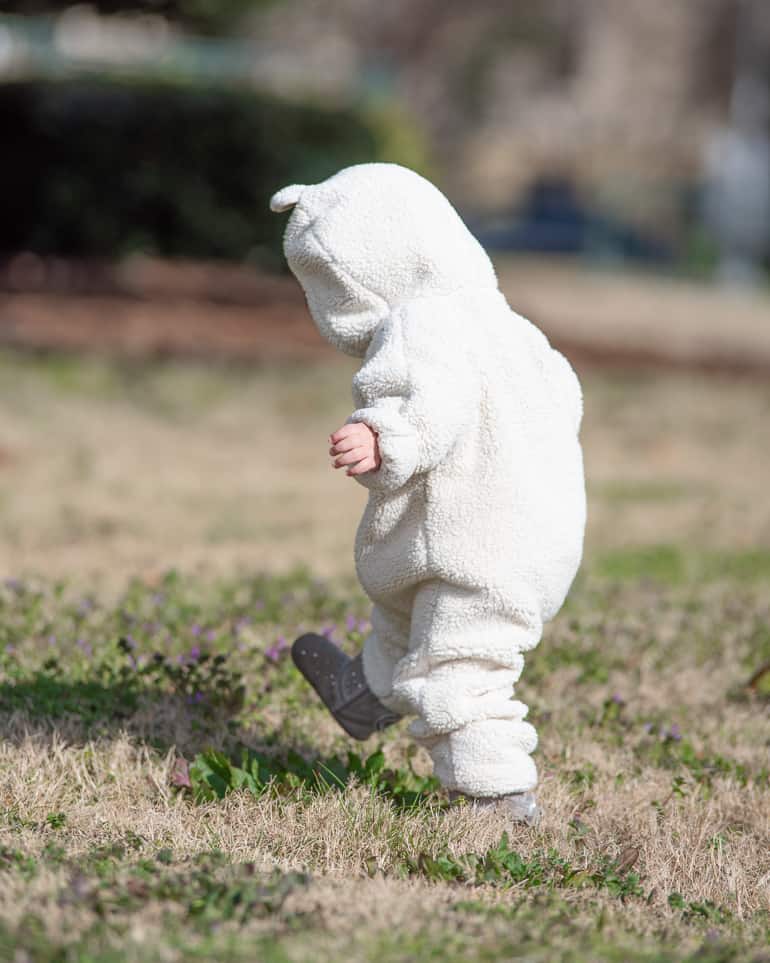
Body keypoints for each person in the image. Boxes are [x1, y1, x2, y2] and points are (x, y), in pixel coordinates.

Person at [270, 164, 585, 823]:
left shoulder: (420, 324)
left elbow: (429, 401)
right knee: (410, 622)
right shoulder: (514, 327)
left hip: (476, 547)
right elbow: (564, 399)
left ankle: (494, 795)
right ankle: (362, 696)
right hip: (542, 538)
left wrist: (387, 435)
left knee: (458, 669)